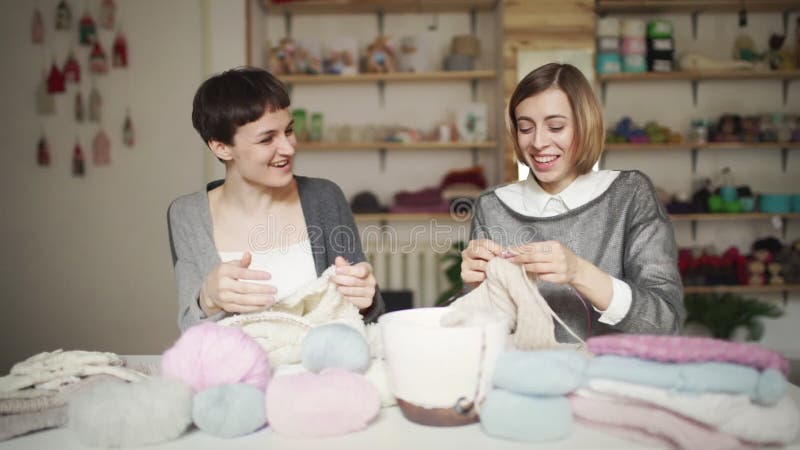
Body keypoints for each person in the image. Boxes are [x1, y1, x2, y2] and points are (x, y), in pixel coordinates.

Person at [460, 63, 684, 342]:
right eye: (525, 128)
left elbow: (665, 323)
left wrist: (579, 272)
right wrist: (477, 288)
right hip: (523, 378)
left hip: (609, 378)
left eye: (556, 126)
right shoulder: (493, 207)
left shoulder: (629, 195)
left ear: (585, 125)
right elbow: (480, 336)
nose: (538, 142)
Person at [168, 66, 383, 331]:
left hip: (318, 366)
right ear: (221, 147)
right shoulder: (187, 215)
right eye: (267, 139)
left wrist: (365, 299)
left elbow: (368, 316)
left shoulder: (324, 198)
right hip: (236, 371)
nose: (288, 147)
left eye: (288, 131)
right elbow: (190, 332)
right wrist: (208, 300)